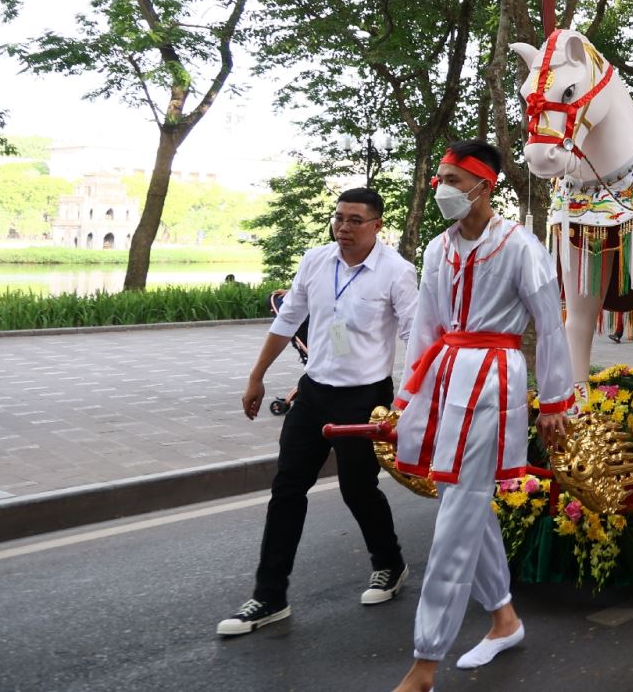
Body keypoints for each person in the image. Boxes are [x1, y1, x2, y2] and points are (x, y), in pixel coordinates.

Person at [390, 140, 575, 692]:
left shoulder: (521, 247)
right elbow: (424, 329)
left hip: (495, 380)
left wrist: (556, 403)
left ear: (483, 185)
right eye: (439, 178)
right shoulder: (436, 250)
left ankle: (424, 664)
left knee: (457, 515)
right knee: (461, 502)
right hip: (447, 378)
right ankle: (505, 619)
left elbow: (550, 325)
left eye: (451, 178)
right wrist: (407, 401)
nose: (442, 188)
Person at [221, 187, 418, 637]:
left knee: (357, 489)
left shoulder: (397, 272)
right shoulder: (315, 260)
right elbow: (287, 319)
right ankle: (270, 595)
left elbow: (416, 336)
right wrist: (256, 376)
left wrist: (410, 401)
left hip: (365, 398)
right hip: (312, 395)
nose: (344, 228)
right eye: (339, 218)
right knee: (287, 488)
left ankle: (388, 563)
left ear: (376, 225)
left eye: (355, 220)